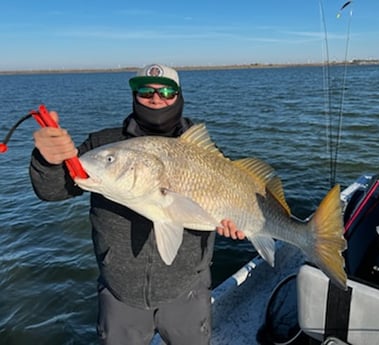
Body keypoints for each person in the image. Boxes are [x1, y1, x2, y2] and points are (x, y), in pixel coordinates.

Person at [30, 63, 245, 345]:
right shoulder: (104, 143)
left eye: (167, 91)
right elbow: (54, 189)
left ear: (179, 95)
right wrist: (47, 161)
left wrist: (238, 222)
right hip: (121, 293)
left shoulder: (204, 153)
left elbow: (234, 196)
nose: (156, 98)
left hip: (187, 289)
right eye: (145, 91)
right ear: (133, 95)